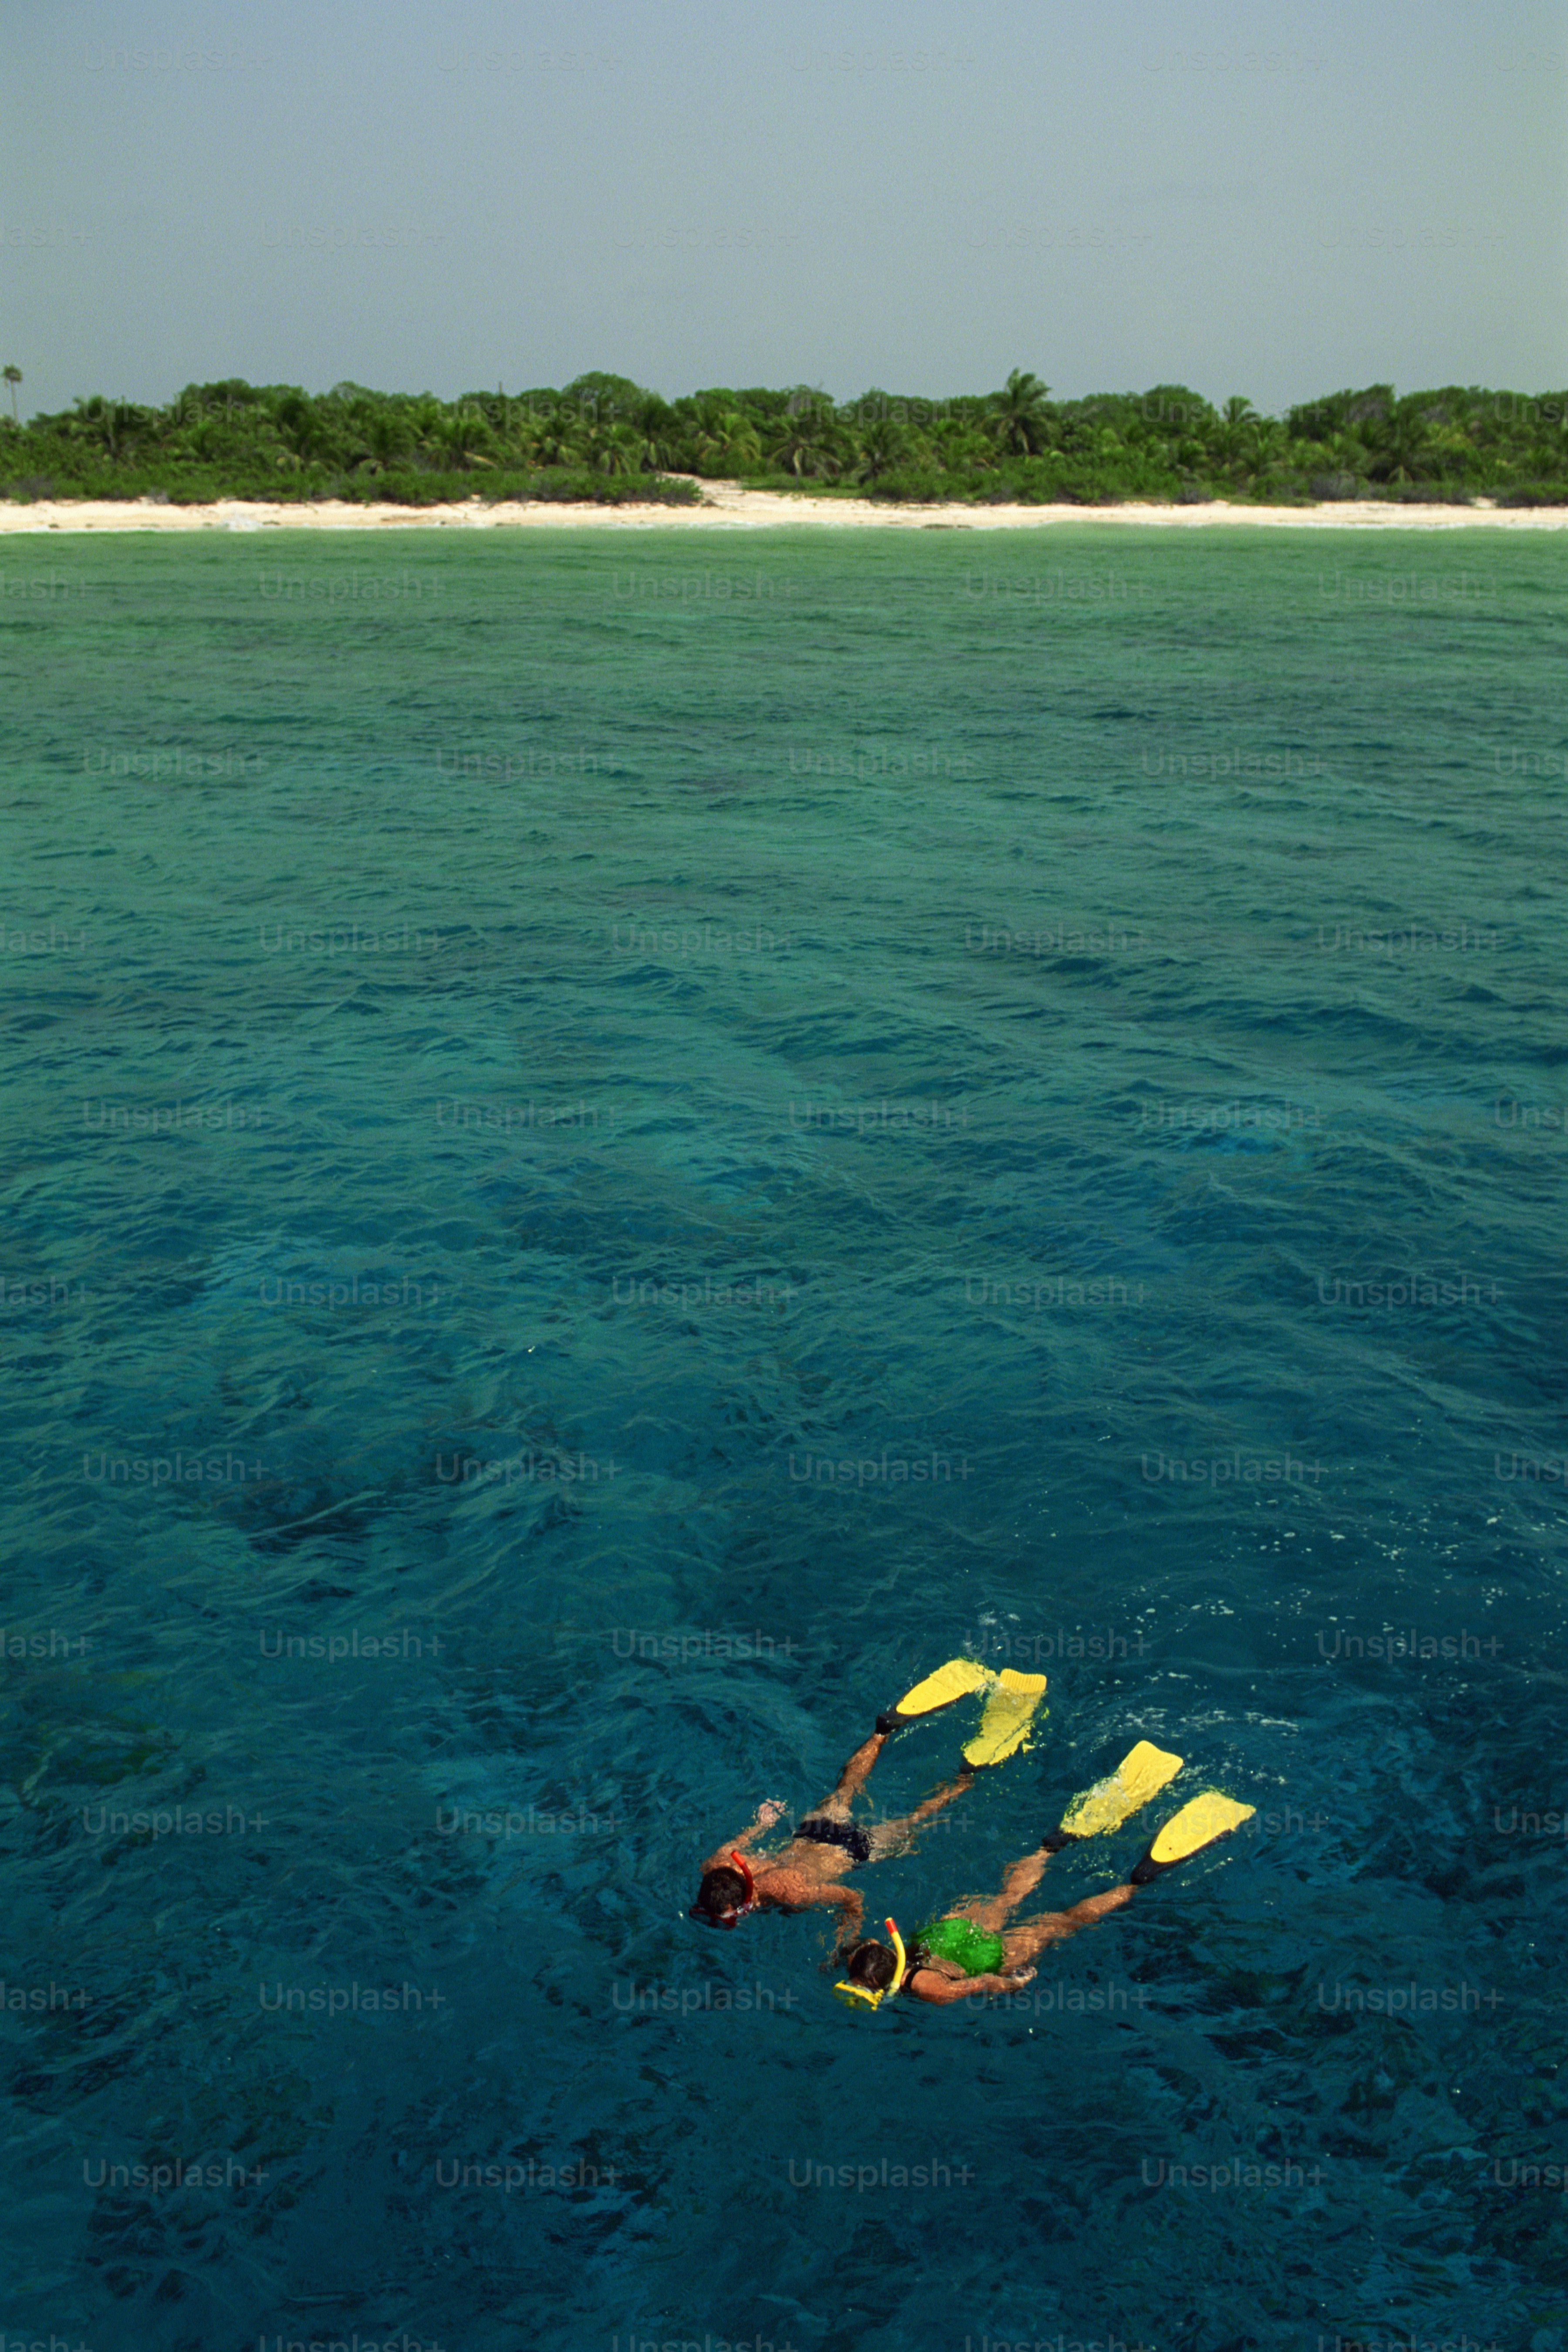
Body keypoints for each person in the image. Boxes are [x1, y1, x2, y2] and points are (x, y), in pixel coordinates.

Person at [835, 1790, 1253, 2006]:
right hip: (946, 1933)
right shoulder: (873, 1949)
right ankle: (1049, 1847)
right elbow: (855, 1938)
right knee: (1007, 1894)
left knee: (1063, 1921)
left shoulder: (927, 1990)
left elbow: (978, 1984)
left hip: (980, 1958)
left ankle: (1138, 1882)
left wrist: (1013, 1984)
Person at [688, 1727, 976, 1937]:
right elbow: (739, 1843)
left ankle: (965, 1780)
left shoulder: (792, 1892)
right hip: (813, 1832)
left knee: (917, 1821)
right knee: (847, 1786)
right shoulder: (717, 1864)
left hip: (849, 1850)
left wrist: (847, 1931)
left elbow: (852, 1897)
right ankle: (882, 1732)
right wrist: (762, 1825)